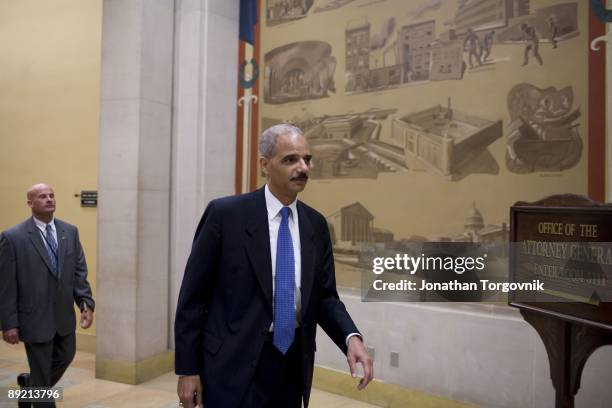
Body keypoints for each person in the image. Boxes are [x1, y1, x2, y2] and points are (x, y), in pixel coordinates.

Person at [175, 124, 373, 408]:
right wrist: (188, 370)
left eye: (307, 159)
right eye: (291, 159)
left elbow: (325, 296)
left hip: (290, 367)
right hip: (230, 363)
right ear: (265, 165)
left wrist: (351, 337)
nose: (303, 167)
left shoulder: (316, 225)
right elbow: (192, 299)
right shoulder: (225, 215)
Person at [0, 184, 95, 408]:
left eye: (52, 195)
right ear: (30, 203)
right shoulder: (12, 237)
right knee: (42, 374)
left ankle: (27, 391)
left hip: (63, 317)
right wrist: (9, 323)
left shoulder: (69, 232)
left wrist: (85, 303)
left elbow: (79, 271)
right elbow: (5, 286)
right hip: (33, 318)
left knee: (66, 356)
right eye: (42, 196)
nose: (49, 199)